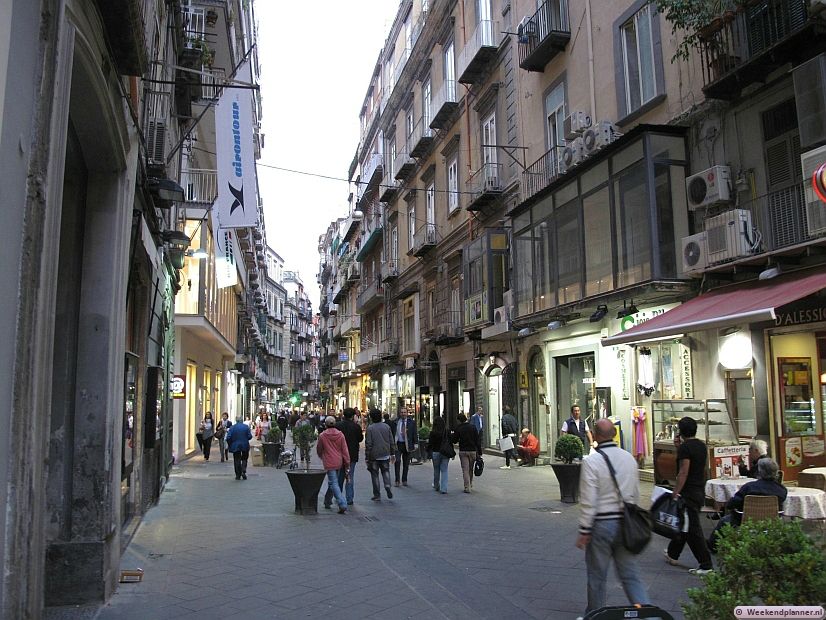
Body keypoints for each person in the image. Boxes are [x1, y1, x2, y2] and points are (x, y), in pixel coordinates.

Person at [576, 419, 651, 615]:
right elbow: (634, 493)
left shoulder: (591, 461)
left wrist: (584, 529)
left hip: (601, 525)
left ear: (596, 435)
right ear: (614, 434)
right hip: (626, 523)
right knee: (630, 575)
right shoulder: (629, 458)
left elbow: (588, 500)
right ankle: (648, 615)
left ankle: (596, 615)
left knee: (597, 576)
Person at [665, 416, 714, 575]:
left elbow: (683, 471)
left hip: (688, 491)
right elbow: (703, 468)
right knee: (684, 523)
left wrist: (676, 491)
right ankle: (673, 553)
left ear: (681, 431)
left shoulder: (685, 449)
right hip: (699, 488)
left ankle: (706, 564)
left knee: (692, 528)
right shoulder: (701, 445)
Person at [708, 458, 786, 553]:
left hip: (745, 520)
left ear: (760, 471)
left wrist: (728, 505)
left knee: (724, 521)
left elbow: (733, 503)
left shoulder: (750, 487)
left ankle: (712, 546)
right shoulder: (782, 490)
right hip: (771, 521)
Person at [317, 416, 351, 514]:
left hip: (329, 461)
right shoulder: (340, 435)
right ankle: (327, 501)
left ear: (325, 424)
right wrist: (347, 462)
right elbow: (345, 450)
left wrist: (321, 455)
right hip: (338, 461)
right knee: (333, 482)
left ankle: (342, 503)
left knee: (333, 483)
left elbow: (319, 448)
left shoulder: (323, 435)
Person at [335, 408, 363, 506]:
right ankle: (349, 498)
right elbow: (360, 438)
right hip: (352, 455)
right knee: (350, 476)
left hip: (339, 454)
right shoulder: (356, 427)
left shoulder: (337, 425)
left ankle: (338, 495)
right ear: (353, 416)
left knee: (340, 476)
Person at [365, 408, 395, 501]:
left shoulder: (370, 428)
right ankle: (387, 485)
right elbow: (391, 440)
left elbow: (368, 443)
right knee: (386, 471)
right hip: (385, 453)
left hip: (374, 455)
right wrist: (392, 453)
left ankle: (377, 494)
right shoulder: (386, 426)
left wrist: (367, 456)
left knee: (375, 475)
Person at [452, 413, 481, 493]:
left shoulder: (459, 428)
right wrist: (480, 452)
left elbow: (454, 440)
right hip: (472, 451)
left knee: (465, 469)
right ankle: (470, 483)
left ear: (459, 420)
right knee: (470, 469)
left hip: (463, 451)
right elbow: (477, 441)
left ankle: (467, 487)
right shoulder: (473, 427)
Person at [393, 407, 417, 487]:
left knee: (406, 464)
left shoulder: (411, 423)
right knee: (397, 461)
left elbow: (414, 433)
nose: (403, 414)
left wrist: (415, 443)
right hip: (398, 444)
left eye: (404, 412)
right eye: (402, 412)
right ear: (400, 413)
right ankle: (397, 480)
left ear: (407, 413)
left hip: (407, 444)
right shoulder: (396, 422)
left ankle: (404, 479)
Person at [427, 416, 451, 494]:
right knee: (444, 470)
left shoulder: (432, 432)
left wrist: (428, 453)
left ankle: (436, 485)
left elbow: (430, 444)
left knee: (436, 469)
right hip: (445, 453)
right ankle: (444, 488)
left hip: (436, 452)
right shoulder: (447, 431)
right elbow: (450, 442)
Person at [225, 415, 252, 480]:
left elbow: (228, 437)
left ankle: (238, 474)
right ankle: (243, 470)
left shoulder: (232, 427)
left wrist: (230, 444)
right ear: (242, 420)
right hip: (245, 445)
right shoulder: (246, 427)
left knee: (237, 459)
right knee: (244, 458)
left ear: (236, 420)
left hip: (235, 445)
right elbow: (250, 436)